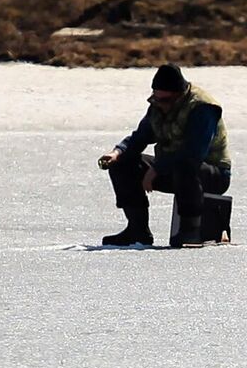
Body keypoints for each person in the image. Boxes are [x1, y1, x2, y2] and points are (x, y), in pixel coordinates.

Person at [98, 64, 231, 246]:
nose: (160, 104)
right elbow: (141, 136)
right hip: (172, 168)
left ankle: (189, 230)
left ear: (180, 95)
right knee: (123, 162)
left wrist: (156, 169)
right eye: (157, 98)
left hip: (212, 174)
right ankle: (137, 230)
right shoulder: (158, 105)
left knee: (184, 165)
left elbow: (193, 153)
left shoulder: (202, 107)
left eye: (165, 100)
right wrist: (118, 152)